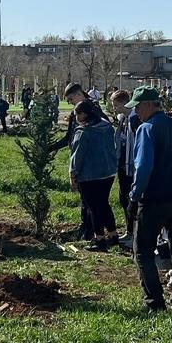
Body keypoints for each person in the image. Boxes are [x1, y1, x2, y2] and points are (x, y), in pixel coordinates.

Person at [127, 85, 172, 312]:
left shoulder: (146, 129)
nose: (135, 112)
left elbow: (143, 166)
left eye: (138, 107)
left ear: (149, 105)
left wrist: (134, 196)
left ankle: (154, 302)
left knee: (143, 252)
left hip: (154, 200)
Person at [69, 100, 119, 250]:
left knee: (94, 208)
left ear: (83, 115)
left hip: (90, 175)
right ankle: (113, 234)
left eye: (76, 114)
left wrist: (73, 175)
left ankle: (99, 239)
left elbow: (77, 156)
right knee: (104, 204)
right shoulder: (106, 126)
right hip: (108, 172)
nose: (76, 118)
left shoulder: (83, 132)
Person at [109, 89, 140, 248]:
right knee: (123, 198)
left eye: (115, 104)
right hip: (123, 165)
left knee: (132, 201)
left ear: (123, 103)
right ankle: (129, 230)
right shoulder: (123, 119)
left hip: (133, 167)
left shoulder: (135, 120)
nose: (113, 108)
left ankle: (135, 233)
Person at [49, 83, 109, 153]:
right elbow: (69, 136)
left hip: (92, 156)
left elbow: (106, 125)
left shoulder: (93, 108)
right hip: (77, 154)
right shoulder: (74, 112)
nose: (70, 102)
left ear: (79, 94)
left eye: (71, 99)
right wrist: (51, 148)